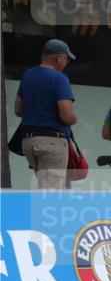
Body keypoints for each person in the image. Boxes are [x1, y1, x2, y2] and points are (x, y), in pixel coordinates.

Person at [13, 39, 77, 189]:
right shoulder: (59, 78)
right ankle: (41, 212)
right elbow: (67, 116)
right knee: (51, 193)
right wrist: (74, 118)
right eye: (66, 59)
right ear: (59, 57)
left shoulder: (28, 75)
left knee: (45, 186)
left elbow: (18, 110)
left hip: (28, 141)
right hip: (51, 142)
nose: (66, 62)